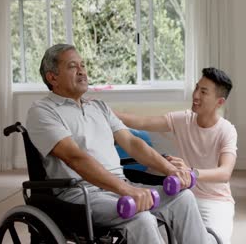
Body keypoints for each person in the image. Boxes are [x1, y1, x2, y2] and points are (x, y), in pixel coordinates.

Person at [25, 44, 219, 244]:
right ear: (52, 77)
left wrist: (171, 170)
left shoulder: (98, 107)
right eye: (73, 66)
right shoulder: (42, 111)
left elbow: (133, 143)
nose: (82, 70)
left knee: (183, 198)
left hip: (120, 187)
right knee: (141, 217)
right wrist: (127, 191)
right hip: (82, 195)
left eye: (83, 65)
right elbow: (75, 158)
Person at [115, 67, 237, 244]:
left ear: (220, 102)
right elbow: (141, 122)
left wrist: (191, 173)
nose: (195, 95)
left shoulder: (226, 130)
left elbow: (225, 173)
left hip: (215, 201)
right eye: (196, 88)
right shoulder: (184, 119)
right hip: (183, 197)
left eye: (203, 92)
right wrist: (103, 110)